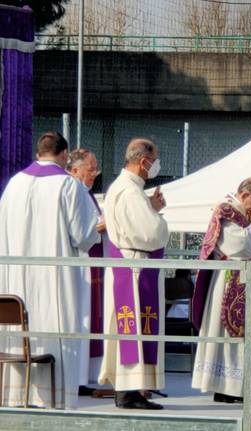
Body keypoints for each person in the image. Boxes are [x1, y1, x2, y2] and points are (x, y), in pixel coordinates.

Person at [0, 131, 100, 409]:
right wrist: (98, 230)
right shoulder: (69, 186)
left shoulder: (14, 184)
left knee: (18, 334)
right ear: (64, 155)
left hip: (15, 283)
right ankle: (54, 399)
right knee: (56, 331)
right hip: (55, 281)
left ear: (38, 152)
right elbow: (83, 236)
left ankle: (14, 395)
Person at [98, 138, 169, 410]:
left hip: (130, 265)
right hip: (136, 266)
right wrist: (160, 218)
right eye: (155, 159)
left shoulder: (129, 188)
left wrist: (150, 208)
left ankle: (130, 390)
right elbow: (151, 233)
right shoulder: (129, 191)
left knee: (131, 329)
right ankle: (129, 392)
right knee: (134, 328)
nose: (156, 165)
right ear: (144, 161)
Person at [191, 177, 251, 403]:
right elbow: (237, 247)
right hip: (228, 282)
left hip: (250, 283)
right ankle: (224, 388)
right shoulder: (226, 211)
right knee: (227, 335)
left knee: (248, 335)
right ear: (244, 194)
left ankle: (245, 386)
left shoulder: (249, 215)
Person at [67, 148, 107, 391]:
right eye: (90, 169)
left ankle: (89, 374)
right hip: (80, 265)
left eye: (96, 169)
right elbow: (81, 234)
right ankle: (79, 376)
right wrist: (103, 225)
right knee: (83, 317)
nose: (94, 174)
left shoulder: (86, 193)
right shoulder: (73, 192)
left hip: (93, 264)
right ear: (74, 170)